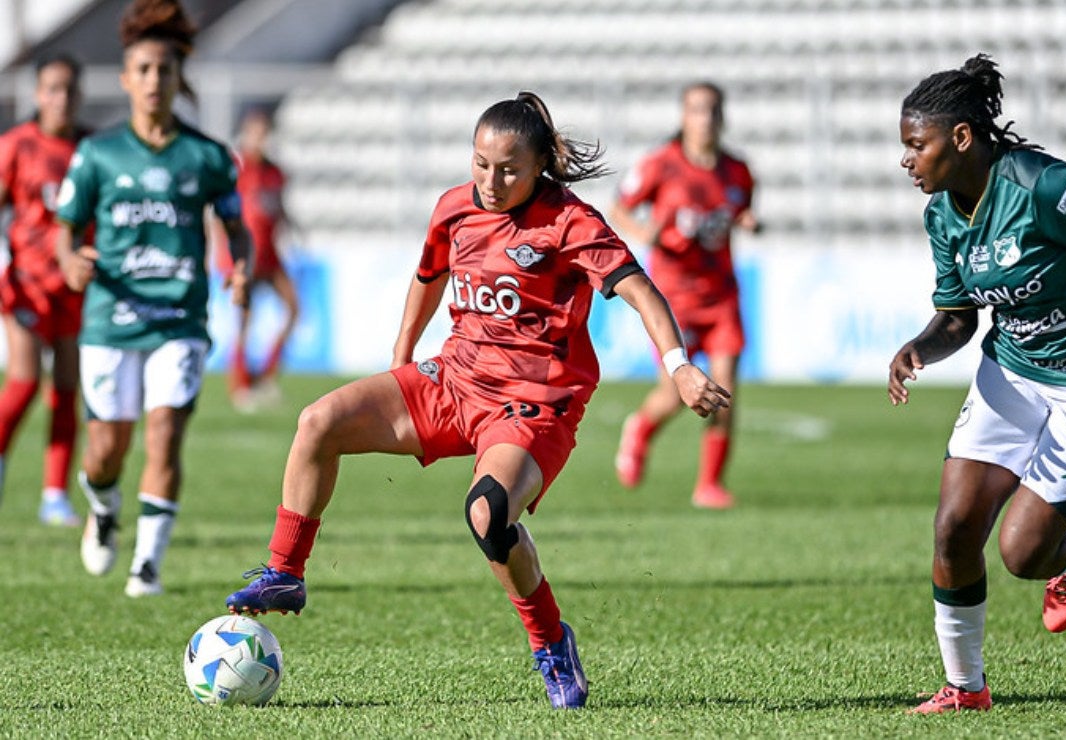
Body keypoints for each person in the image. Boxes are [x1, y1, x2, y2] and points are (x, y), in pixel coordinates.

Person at [224, 92, 730, 710]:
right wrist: (402, 354)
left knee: (489, 514)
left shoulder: (570, 222)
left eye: (509, 169)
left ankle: (550, 642)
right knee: (319, 421)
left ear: (540, 165)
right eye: (481, 164)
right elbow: (429, 275)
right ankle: (285, 572)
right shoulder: (455, 207)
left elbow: (642, 292)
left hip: (534, 402)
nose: (491, 182)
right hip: (456, 379)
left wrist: (678, 367)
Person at [889, 54, 1066, 713]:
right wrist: (920, 348)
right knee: (954, 526)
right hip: (1013, 369)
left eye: (917, 145)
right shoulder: (942, 214)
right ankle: (966, 689)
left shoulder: (1042, 186)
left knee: (1022, 552)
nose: (906, 160)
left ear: (962, 138)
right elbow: (959, 317)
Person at [55, 0, 251, 597]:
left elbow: (236, 225)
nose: (153, 80)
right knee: (105, 451)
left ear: (177, 76)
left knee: (164, 432)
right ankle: (104, 505)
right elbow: (66, 229)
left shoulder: (208, 156)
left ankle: (147, 565)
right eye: (142, 69)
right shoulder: (98, 154)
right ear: (125, 78)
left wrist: (241, 266)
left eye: (164, 70)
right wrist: (70, 261)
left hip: (179, 318)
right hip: (110, 319)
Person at [609, 81, 757, 509]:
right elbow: (618, 208)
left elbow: (740, 210)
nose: (704, 119)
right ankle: (640, 428)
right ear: (683, 116)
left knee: (724, 391)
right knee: (676, 391)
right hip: (673, 297)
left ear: (722, 116)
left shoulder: (738, 171)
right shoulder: (661, 164)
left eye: (712, 110)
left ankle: (709, 484)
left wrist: (748, 222)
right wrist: (644, 233)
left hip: (721, 294)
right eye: (696, 110)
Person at [0, 53, 90, 526]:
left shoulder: (92, 149)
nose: (62, 98)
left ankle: (54, 495)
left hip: (74, 286)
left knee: (67, 388)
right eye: (53, 88)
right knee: (25, 379)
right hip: (27, 284)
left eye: (70, 89)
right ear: (38, 94)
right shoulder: (16, 145)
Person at [222, 107, 299, 411]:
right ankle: (241, 385)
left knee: (293, 309)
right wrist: (223, 253)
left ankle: (266, 376)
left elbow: (278, 209)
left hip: (271, 256)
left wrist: (292, 231)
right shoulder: (236, 169)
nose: (261, 139)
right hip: (246, 256)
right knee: (244, 321)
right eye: (256, 133)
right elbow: (221, 211)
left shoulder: (275, 173)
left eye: (265, 133)